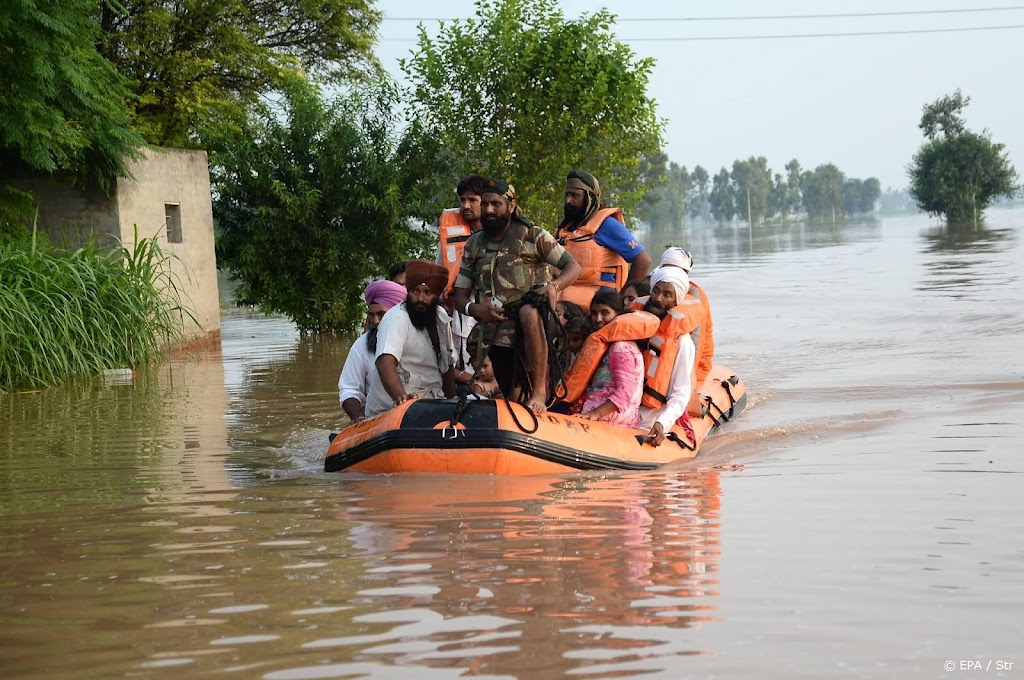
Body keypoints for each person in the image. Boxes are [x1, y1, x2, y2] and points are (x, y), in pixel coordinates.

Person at [452, 178, 582, 413]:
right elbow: (459, 295)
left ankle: (539, 393)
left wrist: (554, 286)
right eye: (486, 204)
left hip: (536, 321)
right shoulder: (474, 244)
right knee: (513, 396)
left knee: (529, 311)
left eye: (496, 204)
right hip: (495, 327)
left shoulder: (533, 235)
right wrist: (475, 309)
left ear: (510, 206)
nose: (490, 210)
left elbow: (573, 267)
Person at [364, 260, 456, 418]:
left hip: (432, 402)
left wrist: (452, 403)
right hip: (391, 412)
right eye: (415, 291)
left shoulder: (441, 318)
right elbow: (385, 361)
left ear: (437, 295)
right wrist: (401, 399)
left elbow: (447, 366)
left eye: (428, 292)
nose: (420, 298)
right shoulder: (396, 318)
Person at [555, 170, 652, 309]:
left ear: (589, 198)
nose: (568, 200)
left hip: (598, 309)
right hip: (565, 305)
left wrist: (621, 299)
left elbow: (643, 260)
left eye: (575, 195)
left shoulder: (607, 225)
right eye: (567, 195)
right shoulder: (567, 229)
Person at [638, 265, 702, 445]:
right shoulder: (634, 326)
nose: (658, 298)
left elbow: (680, 393)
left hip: (651, 417)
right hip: (624, 411)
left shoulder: (682, 343)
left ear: (676, 303)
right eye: (656, 291)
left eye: (667, 295)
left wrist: (663, 422)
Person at [437, 176, 489, 385]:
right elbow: (441, 272)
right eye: (462, 200)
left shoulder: (499, 231)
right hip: (460, 311)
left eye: (472, 200)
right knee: (462, 359)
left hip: (490, 309)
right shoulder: (451, 233)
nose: (465, 206)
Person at [569, 290, 645, 427]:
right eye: (594, 313)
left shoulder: (620, 348)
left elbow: (624, 393)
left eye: (604, 313)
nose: (598, 319)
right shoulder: (609, 344)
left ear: (618, 315)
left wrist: (595, 414)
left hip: (610, 420)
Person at [337, 279, 407, 422]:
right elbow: (349, 389)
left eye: (381, 314)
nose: (375, 321)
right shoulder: (361, 345)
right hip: (377, 420)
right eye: (371, 314)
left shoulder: (415, 338)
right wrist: (359, 419)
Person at [657, 247, 714, 393]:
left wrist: (689, 377)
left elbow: (698, 341)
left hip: (696, 366)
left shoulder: (695, 297)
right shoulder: (656, 290)